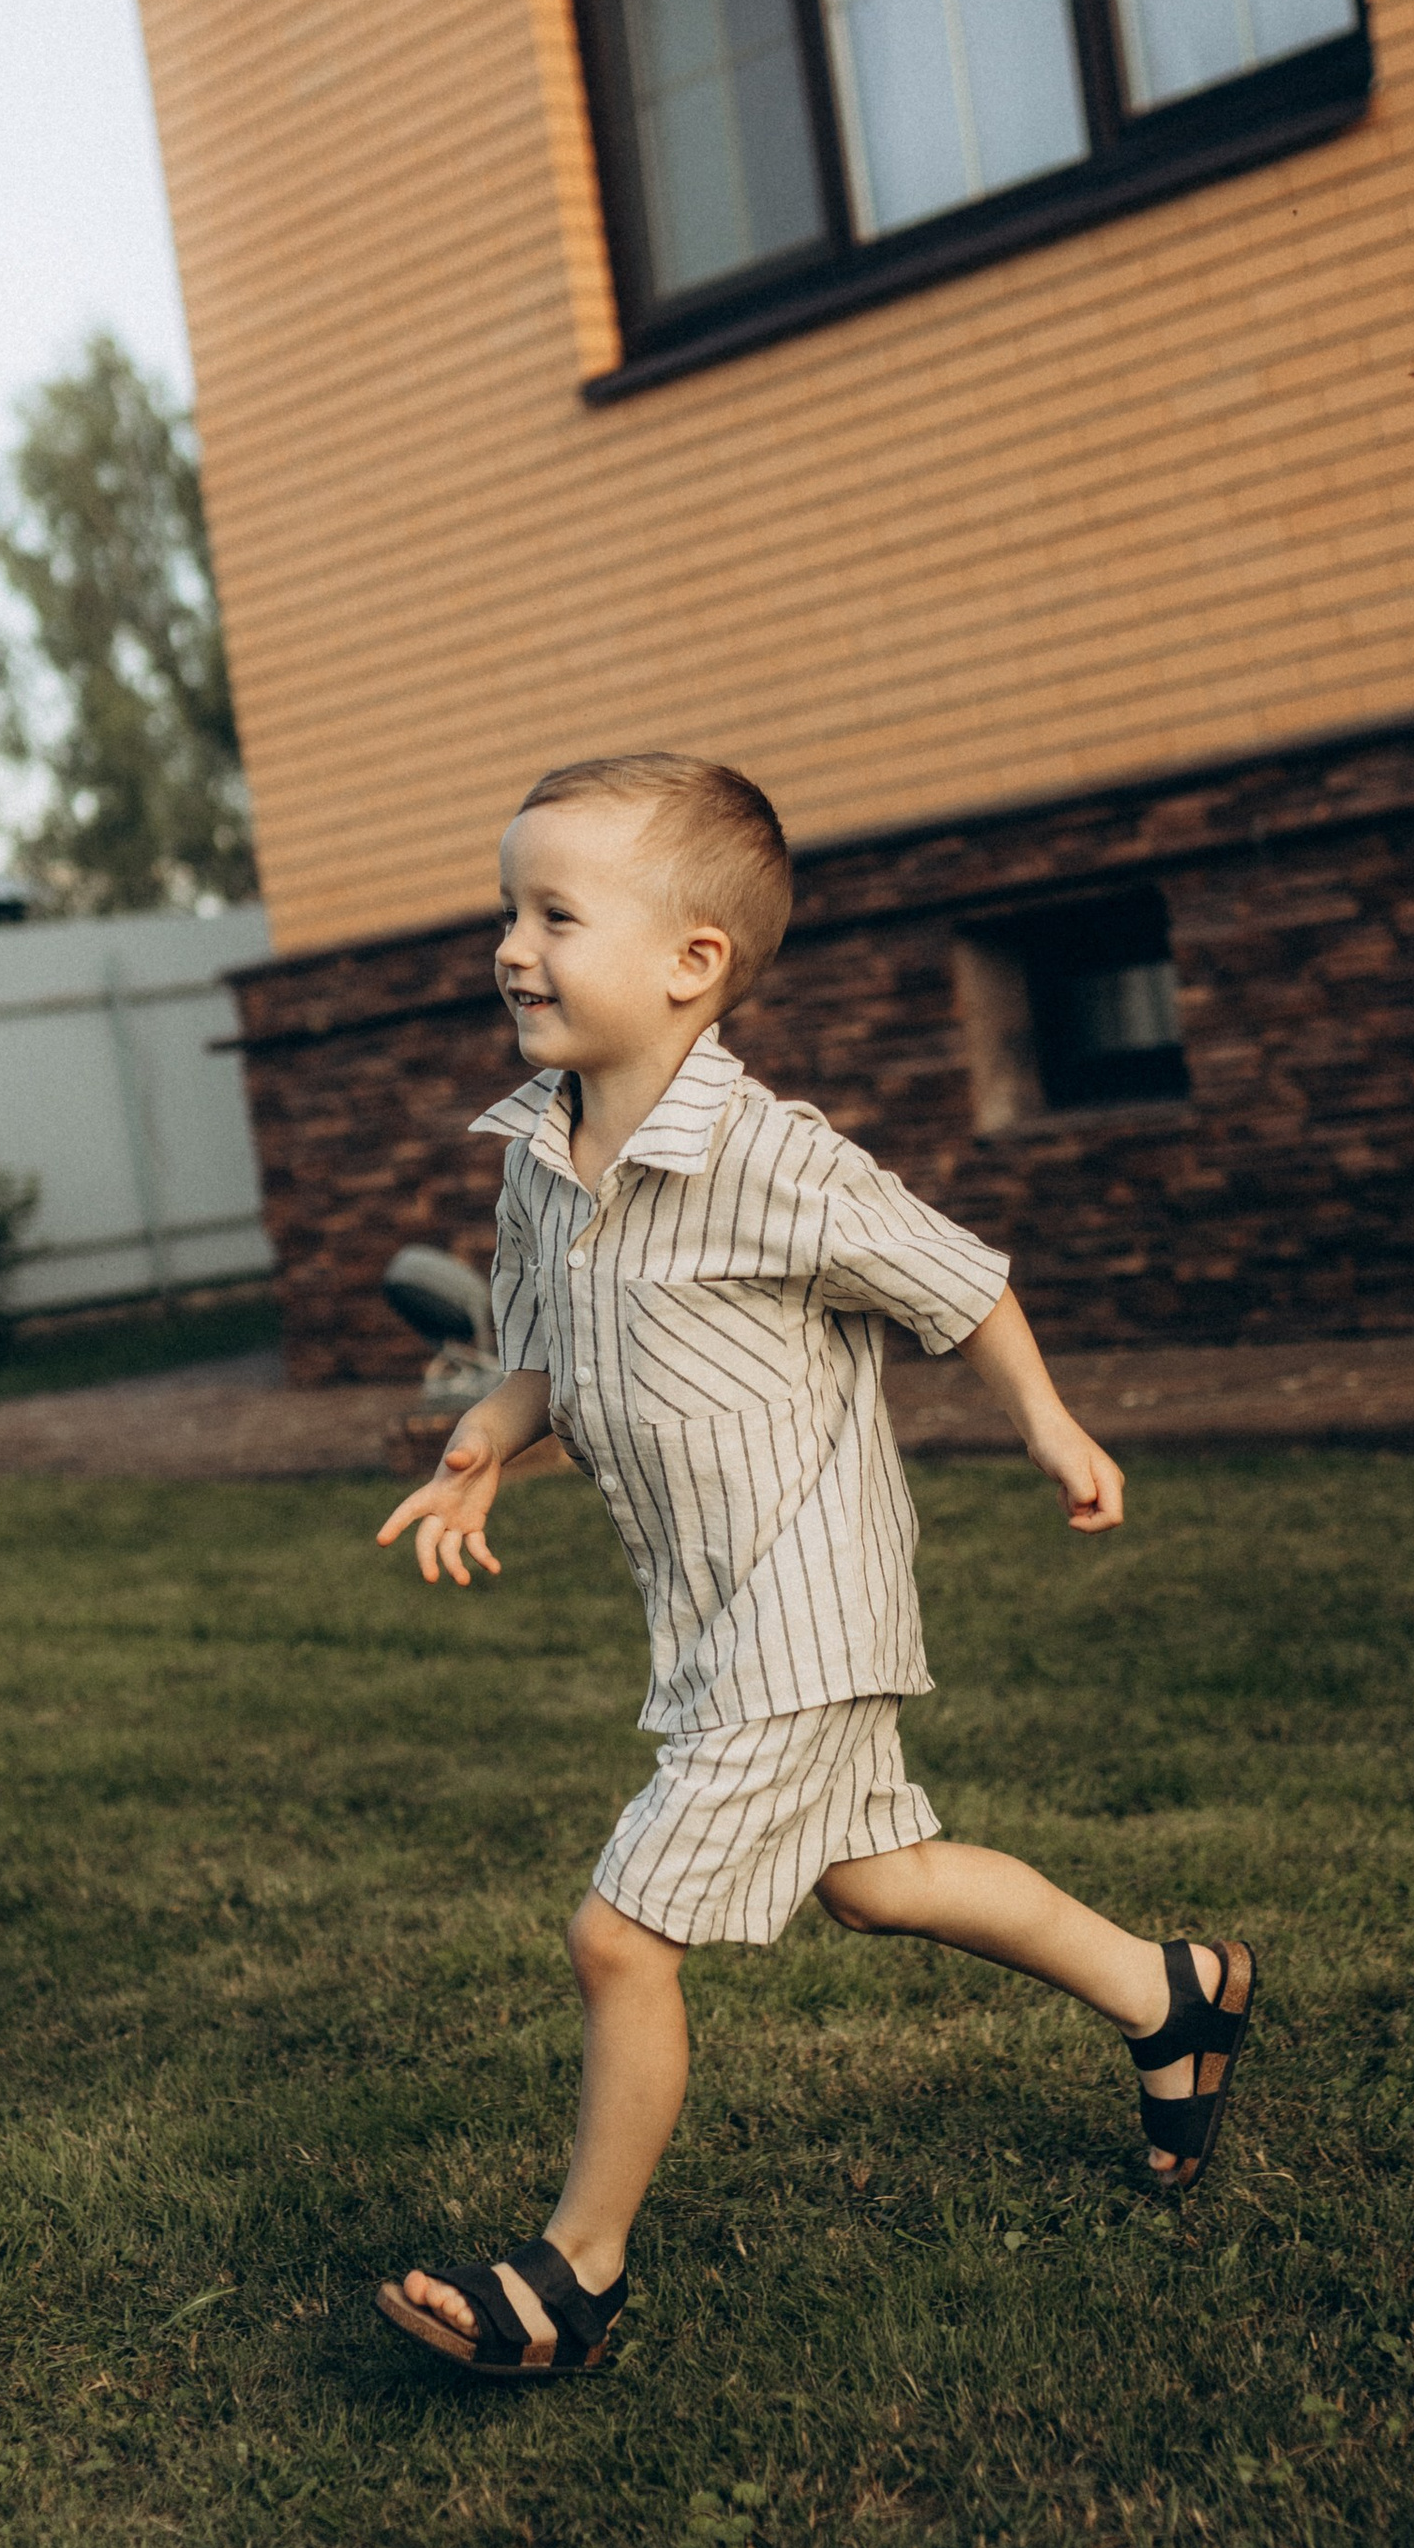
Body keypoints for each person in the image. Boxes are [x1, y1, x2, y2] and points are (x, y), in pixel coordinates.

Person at [370, 752, 1257, 2381]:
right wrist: (488, 1438)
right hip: (706, 1614)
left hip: (806, 1603)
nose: (511, 944)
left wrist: (1050, 1425)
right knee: (877, 1880)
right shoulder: (536, 1156)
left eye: (554, 913)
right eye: (508, 907)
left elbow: (958, 1279)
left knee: (621, 1935)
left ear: (691, 962)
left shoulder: (771, 1157)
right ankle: (1174, 1992)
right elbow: (552, 1351)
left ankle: (576, 2276)